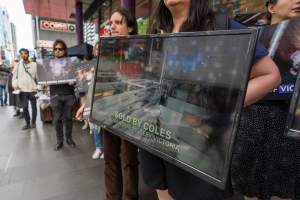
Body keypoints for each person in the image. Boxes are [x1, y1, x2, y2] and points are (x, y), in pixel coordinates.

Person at [139, 1, 281, 200]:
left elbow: (270, 75)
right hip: (157, 135)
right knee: (163, 192)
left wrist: (219, 106)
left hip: (199, 144)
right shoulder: (158, 30)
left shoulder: (221, 26)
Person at [231, 1, 300, 200]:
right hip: (253, 117)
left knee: (286, 187)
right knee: (250, 186)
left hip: (291, 118)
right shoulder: (249, 36)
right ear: (271, 7)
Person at [102, 8, 139, 200]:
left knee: (130, 159)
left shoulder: (139, 50)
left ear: (130, 27)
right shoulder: (106, 49)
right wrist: (88, 104)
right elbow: (100, 80)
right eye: (111, 23)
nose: (113, 27)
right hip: (107, 110)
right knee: (110, 158)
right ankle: (112, 196)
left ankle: (131, 196)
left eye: (118, 22)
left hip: (131, 112)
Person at [50, 40, 76, 151]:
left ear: (64, 50)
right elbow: (44, 77)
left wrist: (74, 81)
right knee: (57, 120)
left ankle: (69, 138)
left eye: (60, 49)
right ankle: (59, 141)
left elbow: (77, 77)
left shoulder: (71, 63)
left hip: (69, 94)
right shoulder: (49, 64)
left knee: (68, 118)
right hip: (55, 95)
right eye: (55, 49)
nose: (57, 51)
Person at [12, 48, 37, 130]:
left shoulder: (34, 64)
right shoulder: (18, 65)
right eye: (21, 54)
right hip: (22, 90)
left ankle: (33, 122)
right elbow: (14, 76)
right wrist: (15, 84)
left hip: (33, 89)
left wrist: (41, 86)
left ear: (28, 54)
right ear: (20, 55)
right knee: (25, 107)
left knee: (34, 107)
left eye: (25, 53)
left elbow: (38, 76)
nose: (23, 55)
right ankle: (27, 123)